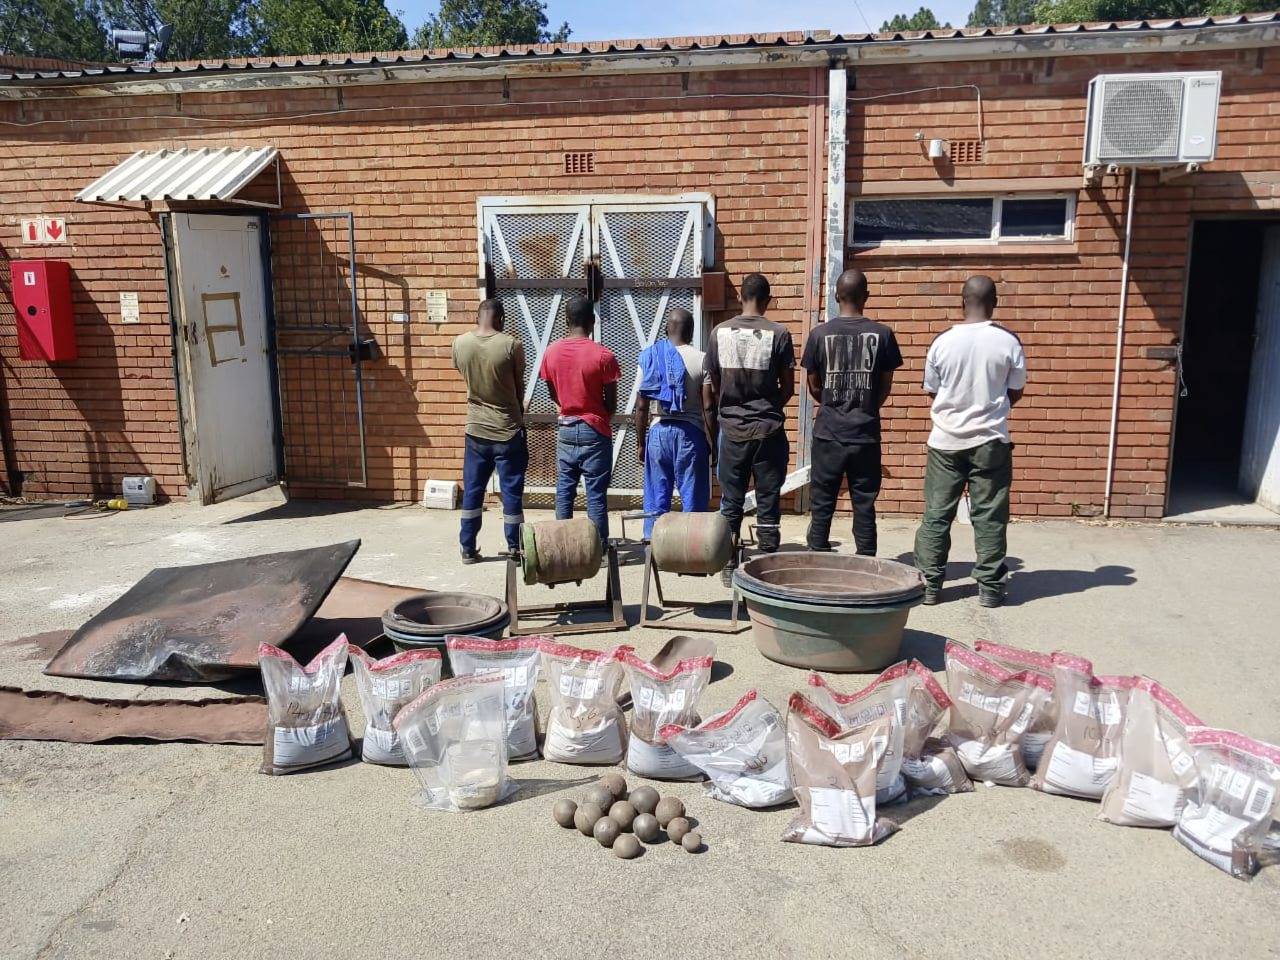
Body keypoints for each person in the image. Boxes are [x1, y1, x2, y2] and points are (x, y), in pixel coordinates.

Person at [913, 275, 1027, 608]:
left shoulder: (942, 342)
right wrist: (992, 409)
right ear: (995, 302)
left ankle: (930, 586)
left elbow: (933, 391)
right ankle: (990, 588)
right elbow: (1015, 390)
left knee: (937, 515)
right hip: (991, 439)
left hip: (946, 441)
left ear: (962, 302)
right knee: (989, 516)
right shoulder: (1008, 342)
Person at [801, 268, 903, 556]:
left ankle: (817, 557)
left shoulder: (819, 334)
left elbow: (814, 386)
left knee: (822, 500)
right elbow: (885, 387)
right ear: (866, 296)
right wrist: (865, 406)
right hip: (865, 433)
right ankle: (866, 560)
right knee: (864, 502)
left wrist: (832, 403)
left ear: (836, 296)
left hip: (828, 432)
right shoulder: (883, 335)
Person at [706, 272, 795, 554]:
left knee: (731, 502)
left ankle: (728, 561)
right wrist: (769, 408)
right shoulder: (780, 334)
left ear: (740, 297)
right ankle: (766, 561)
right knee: (768, 499)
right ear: (768, 300)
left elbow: (715, 384)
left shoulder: (718, 333)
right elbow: (788, 388)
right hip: (769, 430)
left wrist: (730, 408)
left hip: (732, 431)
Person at [538, 295, 621, 543]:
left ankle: (562, 548)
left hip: (565, 428)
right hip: (594, 430)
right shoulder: (604, 356)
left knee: (565, 491)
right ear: (593, 321)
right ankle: (599, 549)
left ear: (566, 321)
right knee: (595, 495)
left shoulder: (551, 353)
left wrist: (566, 405)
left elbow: (552, 391)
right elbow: (611, 404)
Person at [451, 298, 527, 564]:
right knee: (511, 493)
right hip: (507, 430)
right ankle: (516, 548)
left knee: (473, 491)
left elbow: (464, 373)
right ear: (501, 319)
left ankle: (467, 548)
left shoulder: (460, 343)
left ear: (477, 317)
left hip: (475, 430)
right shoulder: (511, 345)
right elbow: (519, 387)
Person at [636, 308, 716, 538]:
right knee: (693, 498)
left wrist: (641, 443)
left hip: (658, 432)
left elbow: (641, 407)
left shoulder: (650, 356)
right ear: (691, 331)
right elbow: (708, 407)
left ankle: (653, 545)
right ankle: (693, 547)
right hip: (690, 434)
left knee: (656, 498)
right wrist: (713, 443)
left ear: (666, 329)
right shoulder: (702, 359)